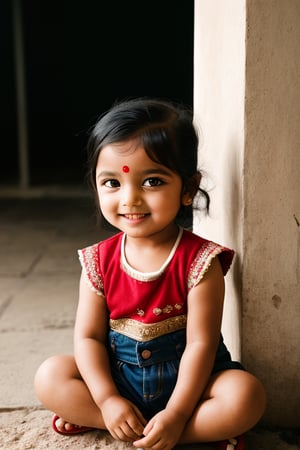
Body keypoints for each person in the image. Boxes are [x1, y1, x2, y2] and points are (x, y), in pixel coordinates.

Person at [34, 98, 266, 450]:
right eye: (112, 183)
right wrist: (107, 400)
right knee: (51, 376)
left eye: (152, 181)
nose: (130, 199)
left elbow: (200, 345)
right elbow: (89, 339)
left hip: (192, 386)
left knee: (246, 395)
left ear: (188, 189)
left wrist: (176, 413)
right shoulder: (98, 261)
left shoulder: (201, 263)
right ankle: (117, 421)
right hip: (120, 383)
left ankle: (170, 430)